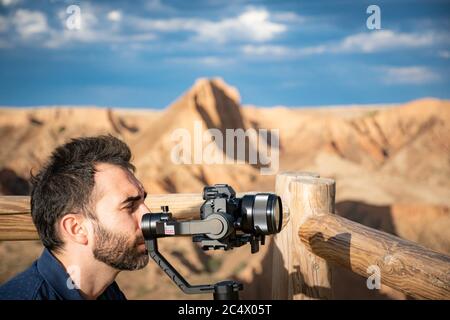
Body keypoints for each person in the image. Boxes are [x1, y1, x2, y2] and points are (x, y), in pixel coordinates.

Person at [0, 135, 150, 300]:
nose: (147, 214)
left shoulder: (109, 294)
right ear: (76, 228)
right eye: (129, 206)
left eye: (143, 201)